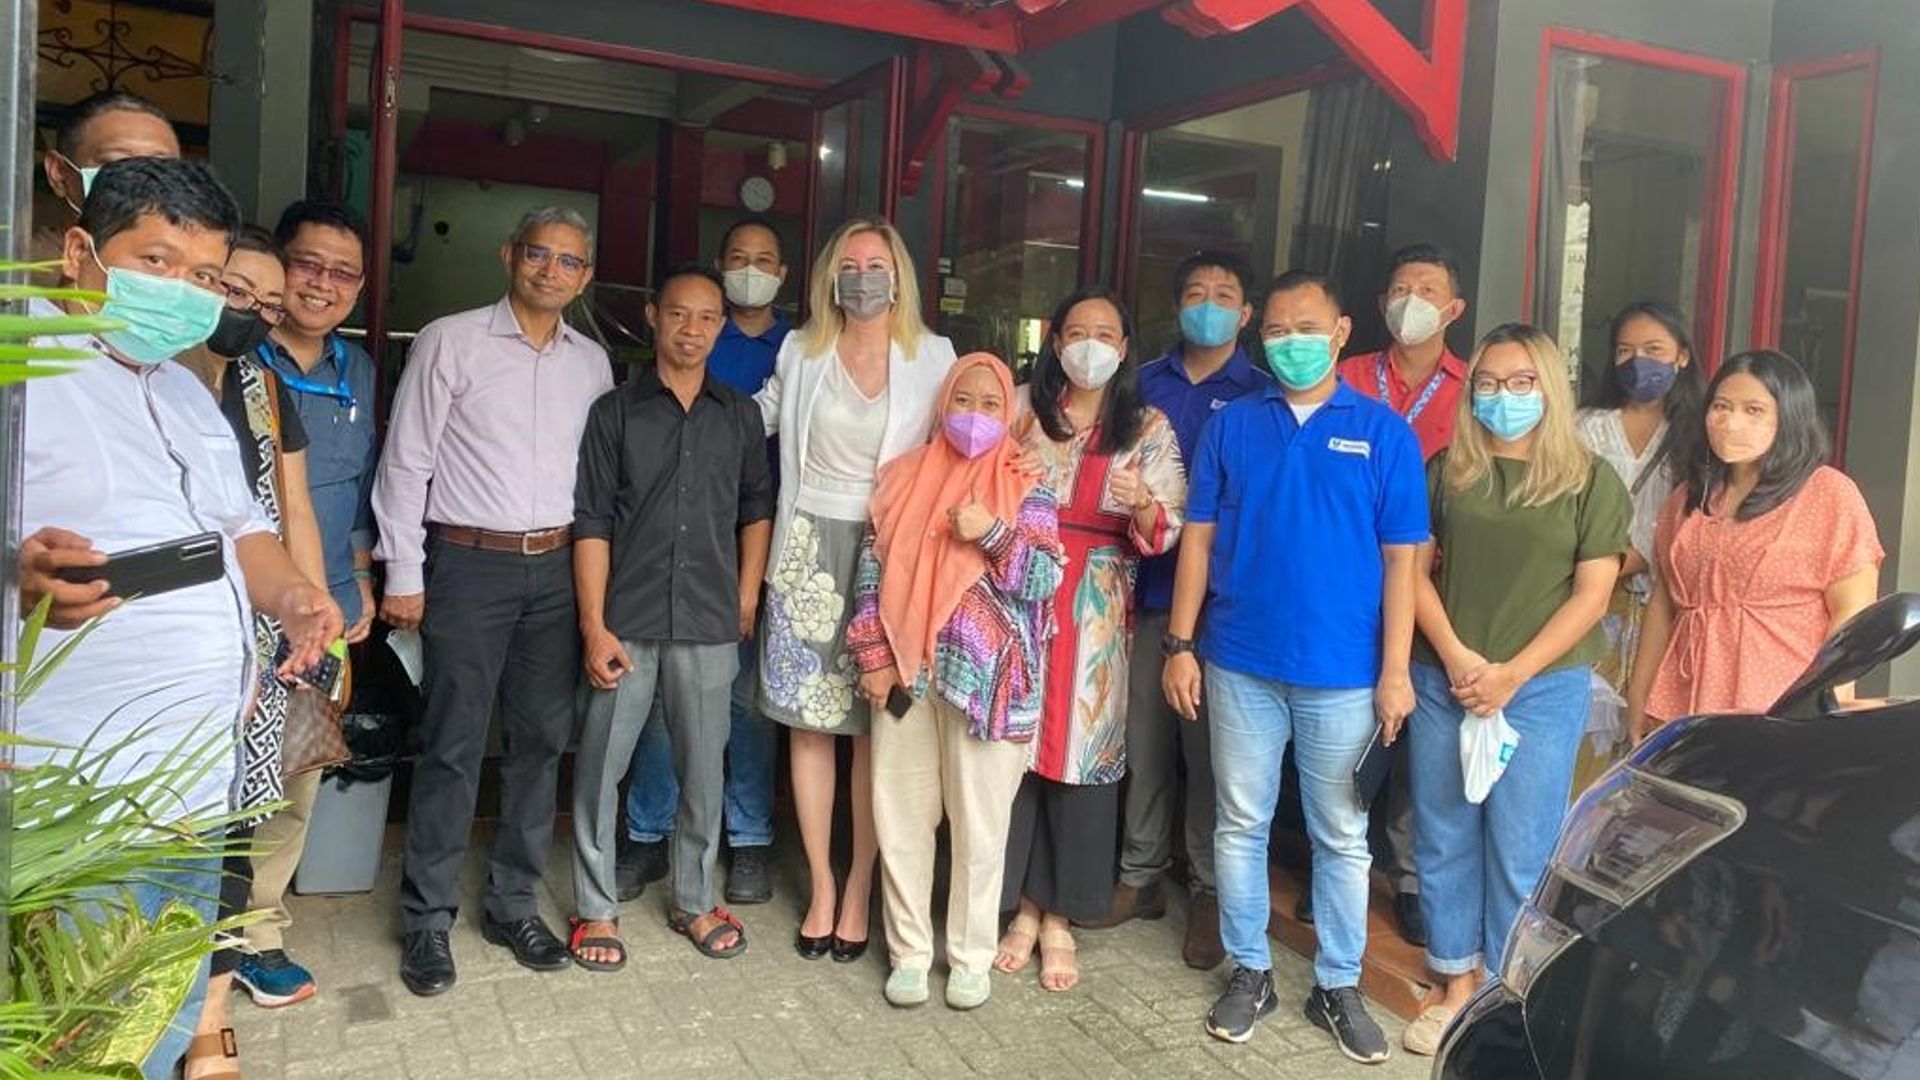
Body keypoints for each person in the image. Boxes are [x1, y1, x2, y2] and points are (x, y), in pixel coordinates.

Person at [18, 156, 340, 1080]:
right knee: (68, 1028)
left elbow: (243, 533)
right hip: (74, 790)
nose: (183, 293)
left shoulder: (180, 389)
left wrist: (292, 595)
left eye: (201, 277)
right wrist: (21, 572)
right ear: (83, 251)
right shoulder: (22, 361)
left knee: (152, 1010)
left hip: (191, 779)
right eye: (155, 262)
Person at [1164, 270, 1426, 1057]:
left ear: (1342, 331)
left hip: (1344, 674)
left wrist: (1396, 670)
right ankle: (1251, 970)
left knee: (1342, 836)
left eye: (1305, 327)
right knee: (1239, 825)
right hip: (1239, 662)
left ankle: (1337, 984)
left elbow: (1403, 563)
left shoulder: (1384, 434)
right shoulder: (1234, 426)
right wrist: (1179, 646)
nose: (1290, 343)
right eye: (1275, 331)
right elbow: (1199, 540)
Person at [374, 207, 614, 997]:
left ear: (584, 276)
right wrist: (403, 570)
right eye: (539, 254)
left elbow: (598, 487)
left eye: (569, 261)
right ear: (510, 254)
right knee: (452, 741)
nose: (552, 270)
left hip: (554, 570)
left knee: (542, 742)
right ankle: (427, 919)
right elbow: (406, 461)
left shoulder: (592, 362)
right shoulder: (452, 339)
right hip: (468, 565)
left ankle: (511, 903)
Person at [1403, 323, 1627, 1056]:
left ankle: (1509, 988)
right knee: (1443, 831)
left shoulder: (1591, 481)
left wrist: (1511, 673)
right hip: (1446, 677)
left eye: (1521, 381)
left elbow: (1593, 596)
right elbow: (1411, 573)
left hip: (1541, 688)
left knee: (1523, 843)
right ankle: (1453, 979)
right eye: (1490, 383)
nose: (1504, 396)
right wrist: (1462, 659)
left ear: (1551, 389)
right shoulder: (1448, 470)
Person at [754, 216, 956, 963]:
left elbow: (966, 438)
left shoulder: (933, 356)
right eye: (849, 262)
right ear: (829, 275)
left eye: (876, 262)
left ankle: (864, 884)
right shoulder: (801, 348)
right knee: (809, 726)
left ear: (898, 275)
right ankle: (820, 885)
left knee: (882, 729)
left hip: (892, 555)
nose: (863, 274)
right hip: (807, 550)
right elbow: (762, 419)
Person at [846, 352, 1066, 1011]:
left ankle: (969, 957)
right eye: (963, 402)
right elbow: (869, 573)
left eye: (991, 404)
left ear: (1010, 413)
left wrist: (992, 533)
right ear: (944, 407)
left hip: (990, 689)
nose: (975, 415)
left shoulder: (1029, 485)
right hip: (907, 678)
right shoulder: (902, 479)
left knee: (979, 828)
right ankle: (910, 954)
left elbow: (1043, 581)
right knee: (902, 819)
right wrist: (873, 656)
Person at [569, 266, 774, 968]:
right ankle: (595, 909)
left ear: (722, 326)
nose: (693, 329)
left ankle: (693, 897)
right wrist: (594, 625)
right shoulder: (615, 412)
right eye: (679, 315)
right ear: (654, 316)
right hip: (625, 618)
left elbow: (756, 509)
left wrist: (747, 595)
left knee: (703, 771)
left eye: (708, 317)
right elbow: (591, 520)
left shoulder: (740, 414)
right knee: (602, 766)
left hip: (712, 617)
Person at [994, 287, 1186, 993]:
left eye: (1105, 332)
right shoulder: (1017, 408)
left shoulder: (1149, 425)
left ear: (1126, 346)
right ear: (1053, 339)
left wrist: (1143, 506)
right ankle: (1018, 905)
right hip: (1018, 591)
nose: (1090, 344)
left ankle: (1058, 917)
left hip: (1099, 602)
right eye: (1077, 331)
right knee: (1013, 748)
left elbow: (1167, 526)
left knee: (1082, 758)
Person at [175, 227, 332, 1058]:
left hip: (256, 634)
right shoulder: (146, 380)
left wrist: (312, 609)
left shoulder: (263, 387)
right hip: (163, 642)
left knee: (240, 815)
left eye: (267, 306)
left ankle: (210, 1020)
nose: (254, 314)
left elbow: (292, 509)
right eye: (238, 292)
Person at [1088, 251, 1265, 972]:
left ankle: (1209, 890)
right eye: (1197, 293)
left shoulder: (1258, 391)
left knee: (1212, 756)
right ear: (1176, 305)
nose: (1210, 304)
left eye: (1225, 294)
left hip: (1222, 603)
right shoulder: (1141, 384)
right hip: (1142, 592)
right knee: (1144, 739)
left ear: (1246, 314)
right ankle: (1141, 874)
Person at [232, 199, 382, 1009]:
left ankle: (258, 934)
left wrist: (354, 581)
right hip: (236, 604)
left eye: (341, 271)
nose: (321, 283)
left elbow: (357, 488)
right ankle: (190, 935)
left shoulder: (356, 371)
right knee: (217, 773)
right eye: (308, 264)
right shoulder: (231, 355)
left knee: (295, 776)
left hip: (321, 610)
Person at [619, 217, 790, 907]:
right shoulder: (687, 344)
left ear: (784, 272)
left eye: (766, 259)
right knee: (665, 706)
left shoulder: (800, 349)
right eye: (739, 258)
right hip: (668, 554)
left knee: (745, 706)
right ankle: (648, 835)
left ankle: (748, 840)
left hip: (753, 549)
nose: (752, 269)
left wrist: (751, 585)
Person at [1626, 351, 1881, 737]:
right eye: (1721, 407)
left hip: (1783, 709)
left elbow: (1853, 618)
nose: (1731, 422)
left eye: (1754, 410)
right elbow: (1663, 605)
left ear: (1789, 416)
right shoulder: (1688, 497)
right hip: (1682, 705)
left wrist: (1830, 709)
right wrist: (1639, 697)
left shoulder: (1828, 494)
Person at [1332, 242, 1472, 944]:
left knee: (1421, 733)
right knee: (1346, 727)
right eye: (1399, 286)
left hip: (1436, 586)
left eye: (1427, 287)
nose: (1410, 299)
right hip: (1347, 578)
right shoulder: (1349, 375)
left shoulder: (1473, 390)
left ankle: (1412, 876)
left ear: (1453, 308)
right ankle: (1341, 868)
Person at [1573, 301, 1701, 787]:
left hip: (1667, 610)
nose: (1637, 362)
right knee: (1585, 740)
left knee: (1650, 742)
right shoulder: (1584, 426)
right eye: (1625, 350)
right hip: (1589, 602)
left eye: (1653, 350)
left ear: (1682, 356)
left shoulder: (1697, 435)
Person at [34, 90, 179, 262]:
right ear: (58, 173)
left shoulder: (192, 278)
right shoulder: (18, 275)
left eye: (160, 170)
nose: (141, 183)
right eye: (116, 165)